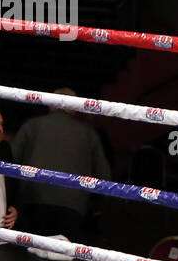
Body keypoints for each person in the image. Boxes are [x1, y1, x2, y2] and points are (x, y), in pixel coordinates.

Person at [12, 89, 111, 238]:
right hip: (73, 205)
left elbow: (11, 160)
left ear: (50, 105)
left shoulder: (32, 125)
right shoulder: (88, 133)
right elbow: (104, 175)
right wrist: (96, 207)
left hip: (33, 199)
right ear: (75, 108)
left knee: (31, 252)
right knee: (63, 255)